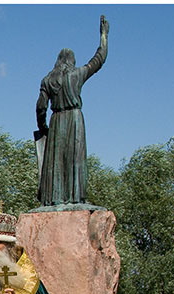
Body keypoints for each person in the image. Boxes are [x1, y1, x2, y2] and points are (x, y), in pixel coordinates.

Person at [36, 15, 109, 206]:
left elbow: (41, 107)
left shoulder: (47, 80)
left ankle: (55, 198)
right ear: (71, 62)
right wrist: (103, 36)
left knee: (56, 163)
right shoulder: (77, 74)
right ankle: (76, 198)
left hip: (56, 120)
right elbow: (99, 59)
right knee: (75, 158)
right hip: (75, 119)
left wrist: (42, 127)